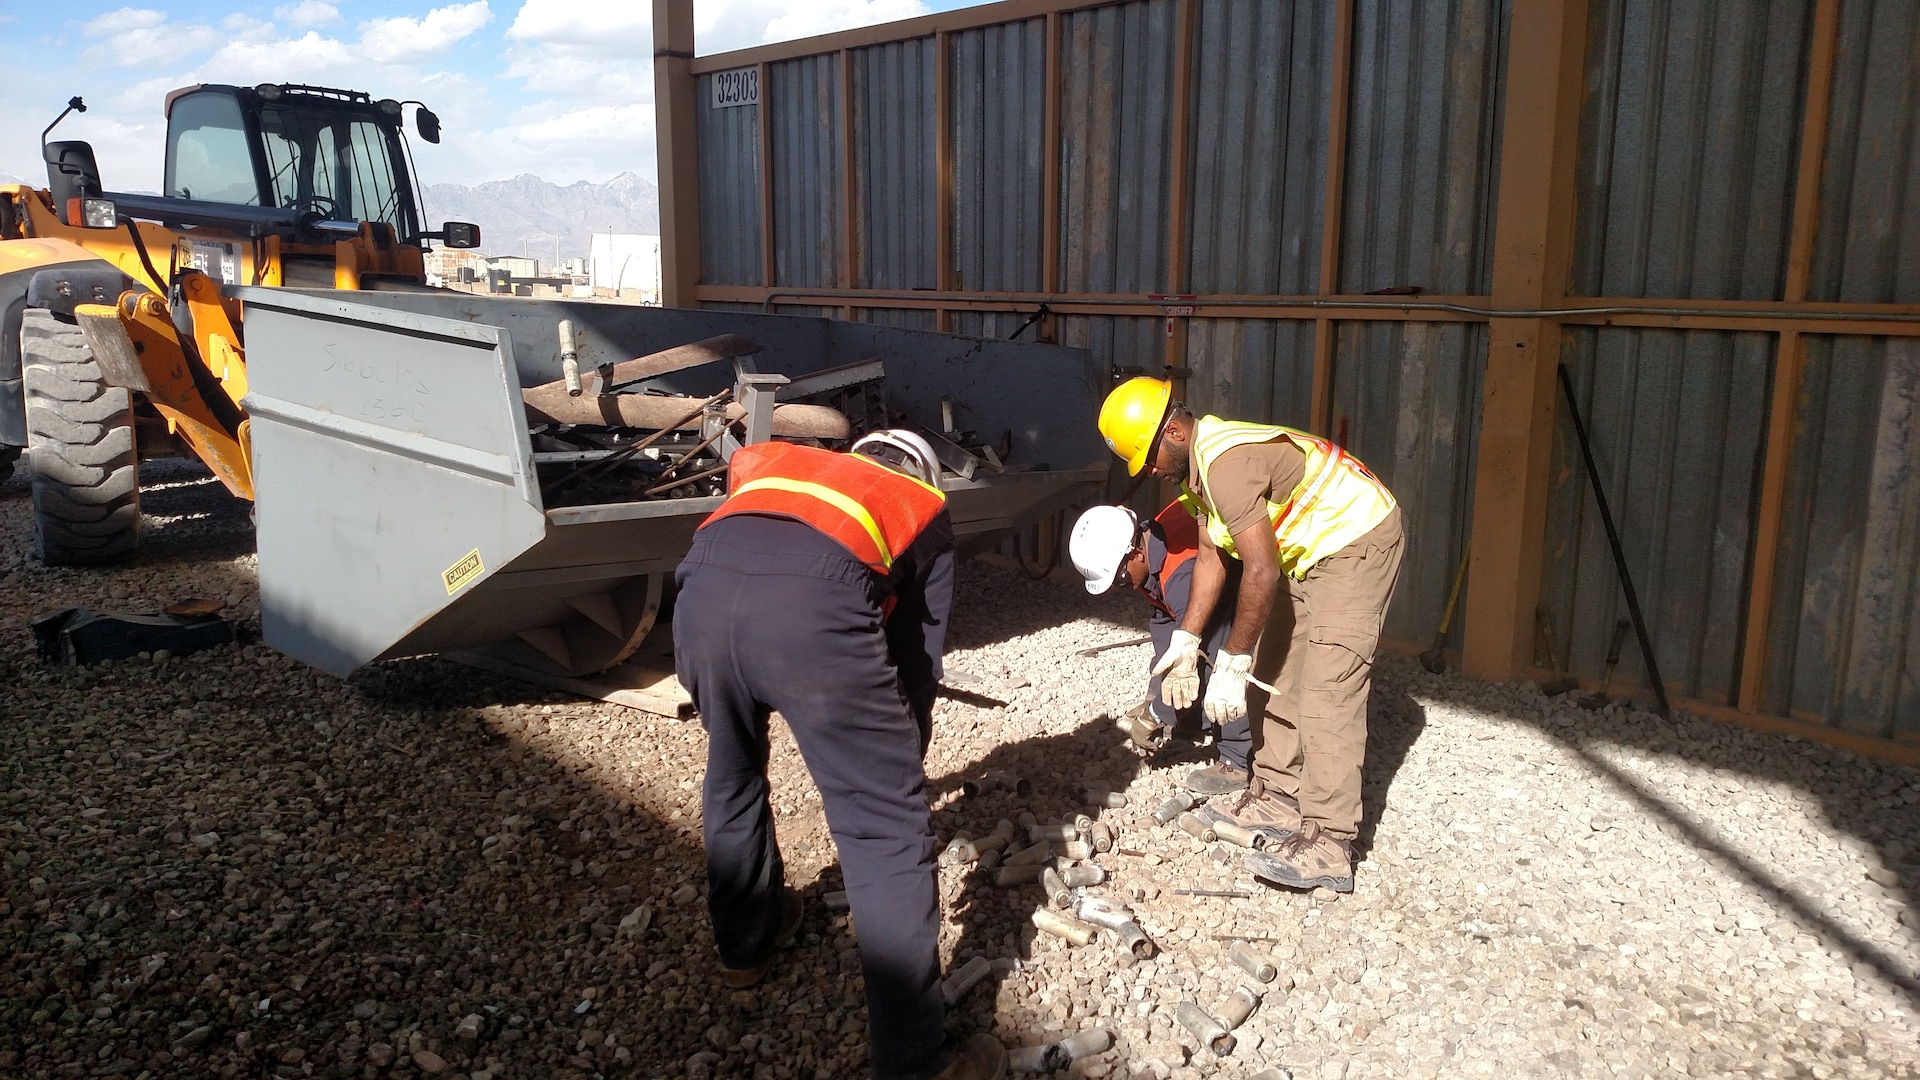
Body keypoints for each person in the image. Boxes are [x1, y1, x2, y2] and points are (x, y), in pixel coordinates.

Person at [673, 429, 1005, 1080]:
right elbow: (917, 662)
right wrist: (898, 770)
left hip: (699, 605)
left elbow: (749, 538)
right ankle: (917, 1063)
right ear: (925, 473)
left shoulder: (785, 462)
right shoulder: (922, 507)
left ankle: (746, 945)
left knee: (733, 771)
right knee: (884, 833)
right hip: (808, 619)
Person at [1096, 378, 1403, 894]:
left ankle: (1329, 840)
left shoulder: (1225, 466)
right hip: (1308, 551)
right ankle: (1279, 793)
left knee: (1328, 691)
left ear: (1172, 431)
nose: (1149, 471)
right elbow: (1213, 555)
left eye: (1148, 458)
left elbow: (1260, 571)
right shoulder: (1195, 476)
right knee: (1276, 672)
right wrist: (1187, 641)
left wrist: (1232, 660)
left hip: (1355, 538)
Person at [1068, 501, 1251, 795]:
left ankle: (1238, 758)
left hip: (1259, 583)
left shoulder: (1180, 576)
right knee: (1180, 647)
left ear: (1136, 554)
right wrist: (1157, 695)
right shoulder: (1152, 548)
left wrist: (1155, 714)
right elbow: (1167, 628)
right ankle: (1193, 722)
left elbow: (1197, 653)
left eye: (1121, 579)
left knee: (1223, 661)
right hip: (1203, 585)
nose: (1120, 588)